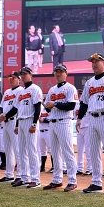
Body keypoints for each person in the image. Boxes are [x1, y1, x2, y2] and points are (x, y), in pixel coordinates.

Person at [77, 53, 104, 195]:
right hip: (92, 118)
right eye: (92, 62)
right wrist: (79, 118)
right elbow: (84, 102)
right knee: (93, 152)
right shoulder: (89, 82)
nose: (94, 64)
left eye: (97, 61)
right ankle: (96, 182)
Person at [41, 64, 79, 192]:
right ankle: (57, 180)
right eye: (56, 72)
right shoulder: (52, 90)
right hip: (53, 122)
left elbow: (71, 105)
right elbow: (47, 107)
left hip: (64, 122)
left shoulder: (70, 88)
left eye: (61, 72)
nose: (58, 74)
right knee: (55, 152)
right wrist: (46, 104)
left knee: (67, 152)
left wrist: (55, 103)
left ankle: (72, 181)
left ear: (66, 73)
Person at [9, 66, 43, 188]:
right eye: (21, 74)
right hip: (22, 121)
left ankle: (35, 179)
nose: (23, 76)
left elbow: (38, 107)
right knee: (21, 150)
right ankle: (24, 177)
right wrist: (17, 125)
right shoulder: (21, 92)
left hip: (30, 121)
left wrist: (34, 123)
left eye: (25, 74)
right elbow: (18, 109)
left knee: (32, 150)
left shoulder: (35, 89)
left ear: (31, 75)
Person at [0, 72, 24, 183]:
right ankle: (9, 174)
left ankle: (21, 174)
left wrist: (6, 115)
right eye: (9, 78)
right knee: (8, 149)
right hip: (6, 123)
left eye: (13, 78)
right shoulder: (7, 92)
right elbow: (1, 106)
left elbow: (17, 108)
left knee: (18, 149)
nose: (11, 80)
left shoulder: (21, 91)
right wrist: (1, 114)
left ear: (19, 79)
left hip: (14, 121)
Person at [75, 91, 92, 176]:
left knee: (88, 149)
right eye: (79, 94)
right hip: (79, 129)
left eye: (81, 94)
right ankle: (80, 168)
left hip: (87, 128)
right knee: (80, 150)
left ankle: (89, 168)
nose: (80, 96)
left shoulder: (89, 104)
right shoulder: (76, 105)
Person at [37, 105, 53, 173]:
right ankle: (42, 166)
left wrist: (44, 120)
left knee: (51, 149)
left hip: (48, 131)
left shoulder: (49, 110)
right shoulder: (39, 110)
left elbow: (52, 118)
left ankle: (54, 166)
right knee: (42, 150)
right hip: (40, 131)